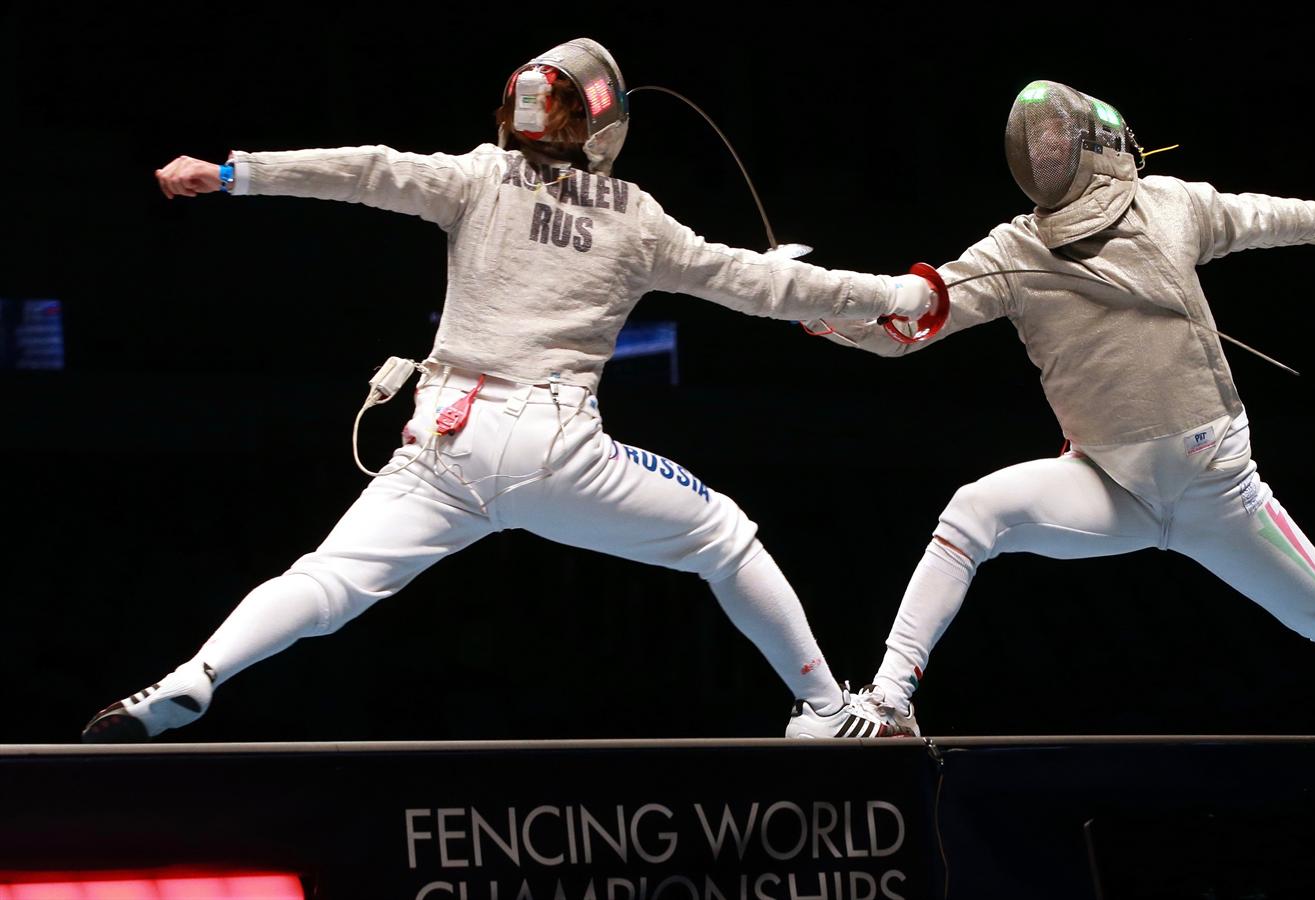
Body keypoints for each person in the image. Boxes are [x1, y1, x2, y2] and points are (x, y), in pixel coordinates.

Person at [82, 38, 936, 743]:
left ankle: (191, 676)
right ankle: (827, 710)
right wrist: (893, 296)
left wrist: (234, 173)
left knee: (329, 580)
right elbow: (763, 285)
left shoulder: (477, 178)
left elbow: (366, 171)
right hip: (554, 443)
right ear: (603, 127)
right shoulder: (634, 217)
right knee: (723, 534)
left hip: (443, 437)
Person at [805, 80, 1315, 735]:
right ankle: (889, 703)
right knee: (972, 511)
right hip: (1108, 486)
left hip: (1218, 491)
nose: (1048, 154)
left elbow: (1269, 216)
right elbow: (909, 320)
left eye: (1058, 143)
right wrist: (819, 310)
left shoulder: (1171, 205)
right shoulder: (1012, 249)